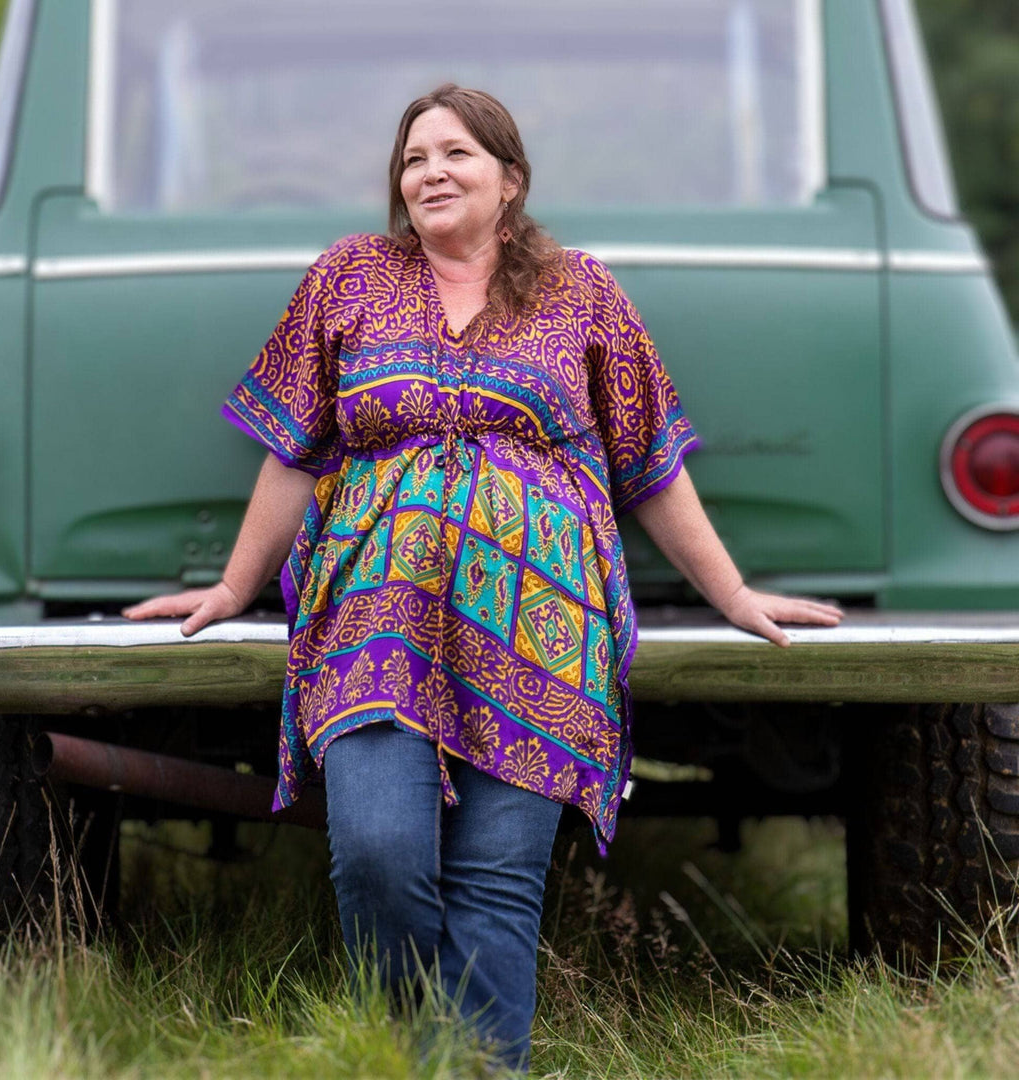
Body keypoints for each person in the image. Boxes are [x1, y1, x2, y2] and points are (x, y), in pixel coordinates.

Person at [123, 84, 842, 1070]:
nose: (430, 172)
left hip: (544, 629)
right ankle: (412, 1051)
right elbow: (293, 447)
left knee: (498, 881)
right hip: (376, 617)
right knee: (378, 857)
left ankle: (470, 1067)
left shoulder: (580, 289)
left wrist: (733, 594)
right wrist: (234, 587)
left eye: (456, 154)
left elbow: (647, 462)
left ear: (511, 180)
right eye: (413, 158)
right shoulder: (348, 277)